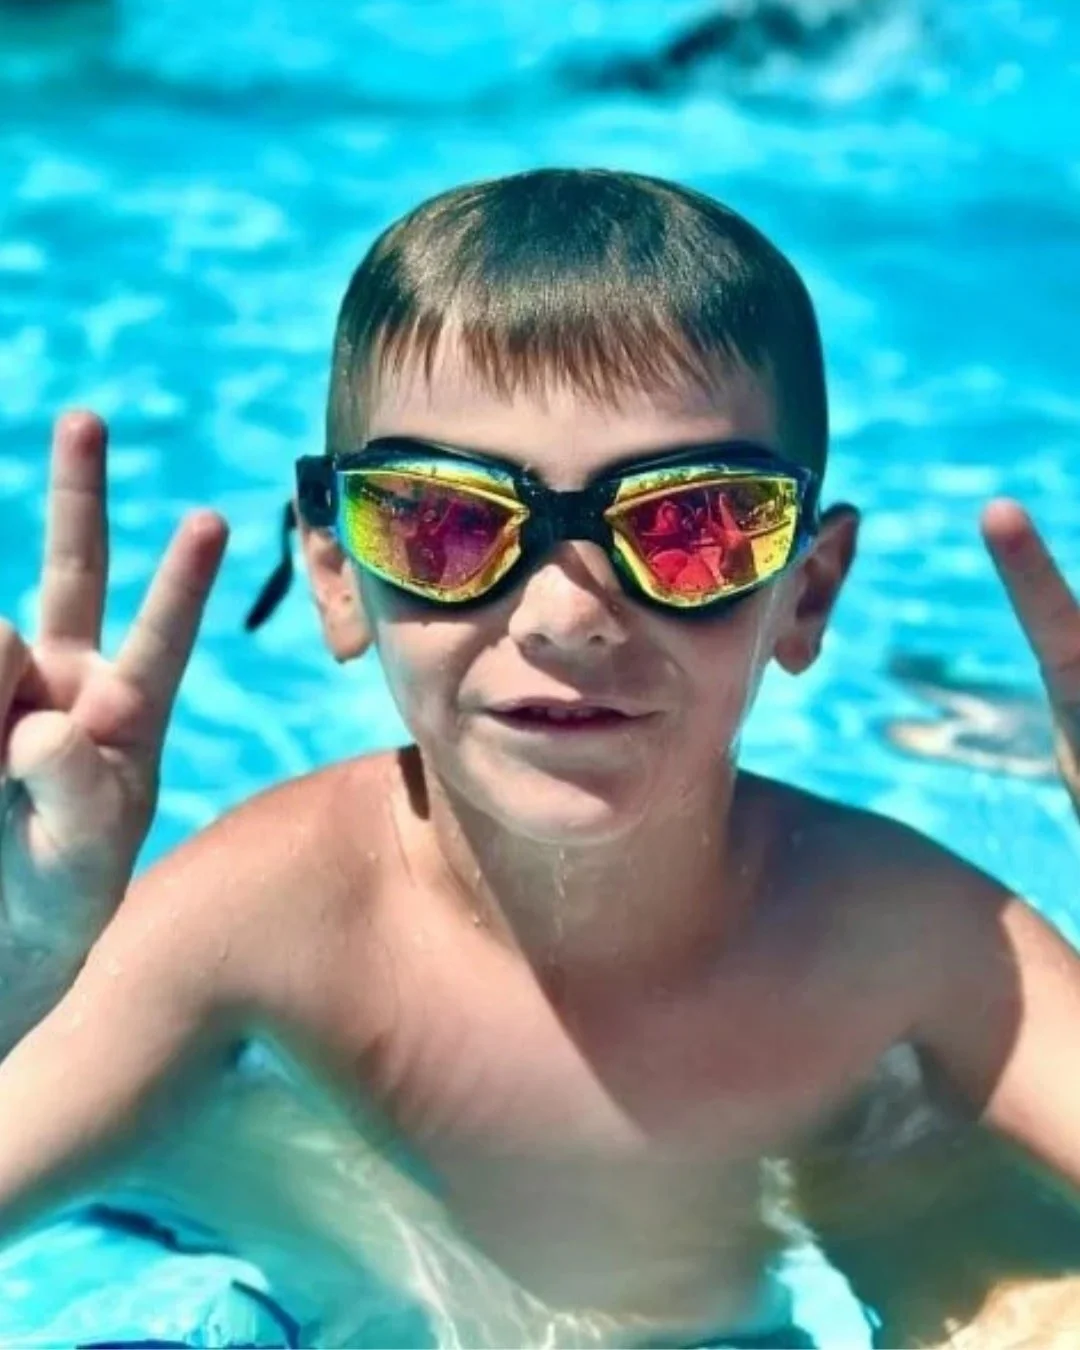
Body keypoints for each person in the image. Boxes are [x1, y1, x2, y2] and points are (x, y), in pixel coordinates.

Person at [1, 167, 1079, 1349]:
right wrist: (26, 950)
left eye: (690, 526)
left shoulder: (907, 939)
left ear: (806, 592)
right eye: (446, 521)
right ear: (334, 570)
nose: (566, 617)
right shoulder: (269, 920)